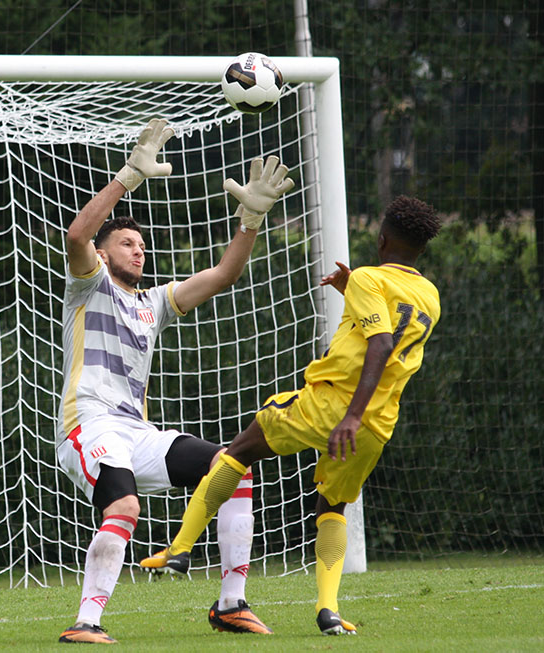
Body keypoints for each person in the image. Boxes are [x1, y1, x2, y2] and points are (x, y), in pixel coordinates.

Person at [140, 195, 443, 636]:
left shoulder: (368, 278)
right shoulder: (429, 294)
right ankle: (328, 610)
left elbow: (379, 344)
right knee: (333, 505)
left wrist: (349, 415)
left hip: (335, 406)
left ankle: (180, 549)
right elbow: (391, 331)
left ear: (380, 240)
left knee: (239, 451)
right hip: (378, 425)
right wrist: (350, 292)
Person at [55, 118, 295, 644]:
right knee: (124, 505)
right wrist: (127, 176)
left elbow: (224, 275)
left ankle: (231, 603)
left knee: (232, 464)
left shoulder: (154, 303)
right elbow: (76, 234)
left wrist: (251, 217)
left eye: (142, 244)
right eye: (125, 242)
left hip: (136, 431)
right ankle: (86, 622)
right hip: (89, 426)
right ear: (103, 253)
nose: (138, 250)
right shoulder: (87, 284)